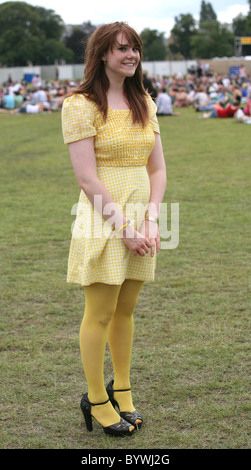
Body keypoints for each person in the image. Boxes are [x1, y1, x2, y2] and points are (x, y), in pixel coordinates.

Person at [61, 22, 166, 437]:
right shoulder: (80, 104)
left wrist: (151, 219)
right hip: (103, 219)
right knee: (100, 312)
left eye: (135, 48)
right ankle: (96, 399)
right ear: (102, 54)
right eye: (121, 49)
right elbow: (87, 179)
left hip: (143, 219)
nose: (131, 55)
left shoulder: (145, 101)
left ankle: (121, 389)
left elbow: (157, 169)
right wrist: (123, 227)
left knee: (126, 310)